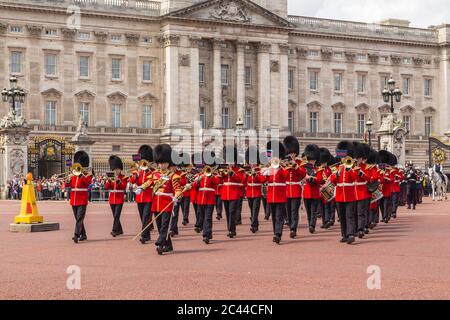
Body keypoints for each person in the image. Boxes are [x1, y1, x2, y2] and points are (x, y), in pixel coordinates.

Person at [150, 144, 183, 255]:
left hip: (167, 203)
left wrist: (177, 195)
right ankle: (168, 246)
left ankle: (160, 243)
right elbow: (148, 183)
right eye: (159, 163)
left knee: (164, 226)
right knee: (160, 227)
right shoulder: (155, 175)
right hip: (156, 204)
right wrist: (140, 187)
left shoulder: (173, 176)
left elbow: (177, 188)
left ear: (168, 163)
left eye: (163, 163)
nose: (161, 165)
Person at [330, 141, 359, 245]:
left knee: (349, 215)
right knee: (342, 217)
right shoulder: (336, 168)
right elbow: (332, 181)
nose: (343, 159)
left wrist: (349, 169)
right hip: (339, 196)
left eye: (345, 156)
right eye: (342, 157)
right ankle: (344, 235)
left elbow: (355, 177)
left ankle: (351, 234)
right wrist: (337, 173)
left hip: (350, 195)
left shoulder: (352, 167)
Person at [262, 141, 290, 244]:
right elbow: (262, 180)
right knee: (274, 217)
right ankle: (275, 233)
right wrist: (266, 169)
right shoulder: (269, 170)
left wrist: (281, 166)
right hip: (271, 196)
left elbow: (286, 176)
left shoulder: (282, 170)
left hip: (280, 196)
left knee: (279, 216)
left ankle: (278, 234)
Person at [130, 145, 154, 244]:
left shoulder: (152, 171)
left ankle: (144, 235)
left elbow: (152, 181)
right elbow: (132, 181)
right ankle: (147, 234)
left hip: (149, 197)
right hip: (139, 197)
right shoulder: (138, 171)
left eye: (145, 161)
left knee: (145, 217)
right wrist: (137, 174)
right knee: (142, 217)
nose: (144, 163)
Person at [220, 145, 245, 239]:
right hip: (225, 194)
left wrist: (232, 173)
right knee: (227, 212)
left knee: (231, 212)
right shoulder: (223, 169)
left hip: (234, 193)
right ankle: (230, 229)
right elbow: (219, 181)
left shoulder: (238, 170)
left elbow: (240, 179)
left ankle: (232, 230)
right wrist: (221, 175)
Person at [283, 136, 306, 239]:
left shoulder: (300, 162)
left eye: (293, 153)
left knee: (294, 211)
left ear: (295, 153)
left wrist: (295, 166)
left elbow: (303, 174)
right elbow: (283, 175)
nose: (291, 155)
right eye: (290, 153)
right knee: (288, 211)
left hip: (296, 189)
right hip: (287, 190)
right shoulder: (285, 163)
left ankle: (293, 229)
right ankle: (291, 225)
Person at [68, 151, 93, 244]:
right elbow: (69, 185)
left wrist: (81, 175)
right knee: (78, 219)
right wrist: (68, 180)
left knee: (79, 218)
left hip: (82, 199)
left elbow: (88, 183)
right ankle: (84, 234)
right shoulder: (73, 175)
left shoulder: (87, 174)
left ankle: (76, 235)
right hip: (74, 199)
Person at [105, 155, 128, 237]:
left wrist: (118, 181)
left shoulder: (124, 177)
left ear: (120, 169)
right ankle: (120, 230)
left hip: (119, 198)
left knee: (116, 215)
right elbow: (106, 187)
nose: (116, 171)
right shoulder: (110, 177)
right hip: (112, 198)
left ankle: (114, 230)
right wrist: (107, 181)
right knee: (115, 215)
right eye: (114, 169)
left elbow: (124, 186)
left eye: (117, 169)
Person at [302, 144, 322, 235]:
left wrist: (311, 178)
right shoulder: (304, 169)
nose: (312, 161)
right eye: (310, 160)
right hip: (306, 192)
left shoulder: (317, 169)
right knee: (308, 211)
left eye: (313, 160)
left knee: (313, 210)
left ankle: (312, 225)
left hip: (314, 193)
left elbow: (319, 179)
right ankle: (310, 222)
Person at [245, 146, 265, 234]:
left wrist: (255, 175)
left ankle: (253, 226)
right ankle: (256, 225)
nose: (252, 163)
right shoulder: (247, 170)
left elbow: (262, 180)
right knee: (251, 210)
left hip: (257, 192)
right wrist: (245, 176)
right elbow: (243, 182)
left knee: (255, 210)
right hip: (249, 193)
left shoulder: (260, 170)